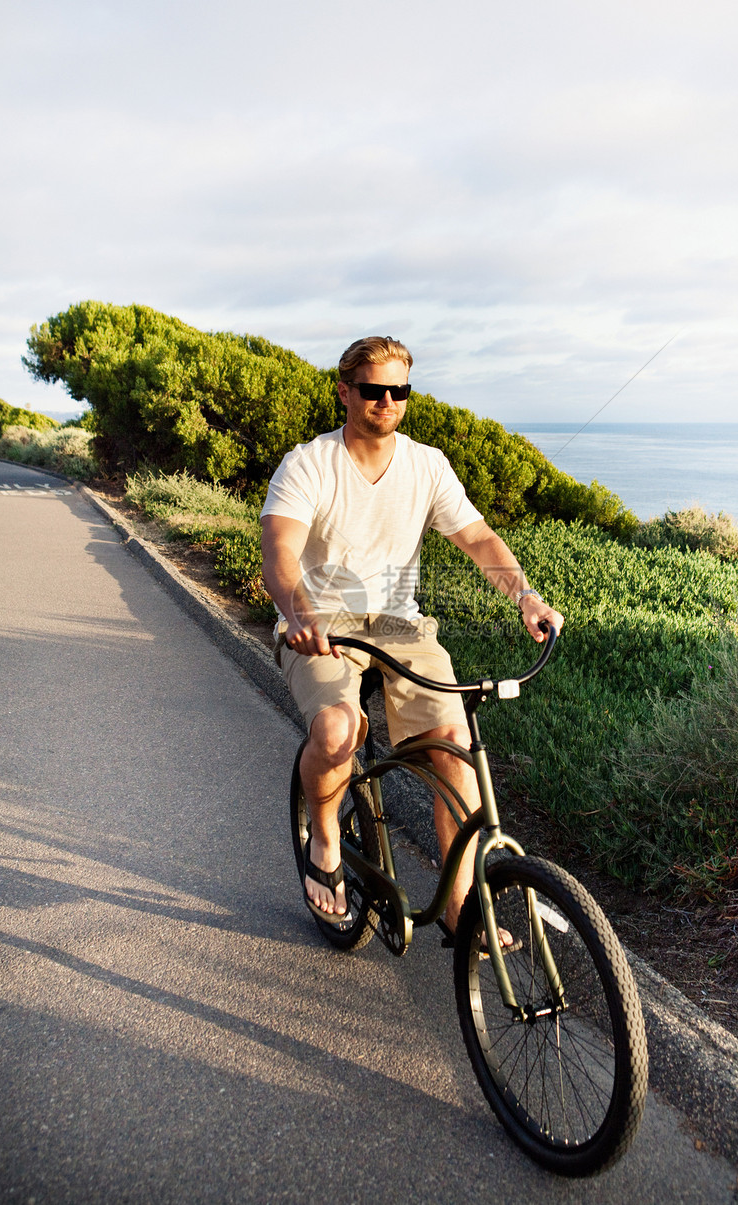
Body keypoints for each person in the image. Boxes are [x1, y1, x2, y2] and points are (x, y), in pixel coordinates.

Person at [260, 336, 563, 936]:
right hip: (321, 623)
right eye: (374, 391)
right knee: (338, 730)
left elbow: (477, 538)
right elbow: (280, 552)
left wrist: (524, 595)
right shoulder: (309, 464)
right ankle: (323, 840)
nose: (388, 402)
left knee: (456, 749)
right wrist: (299, 612)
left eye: (400, 390)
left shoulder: (427, 464)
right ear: (344, 392)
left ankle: (457, 909)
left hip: (400, 626)